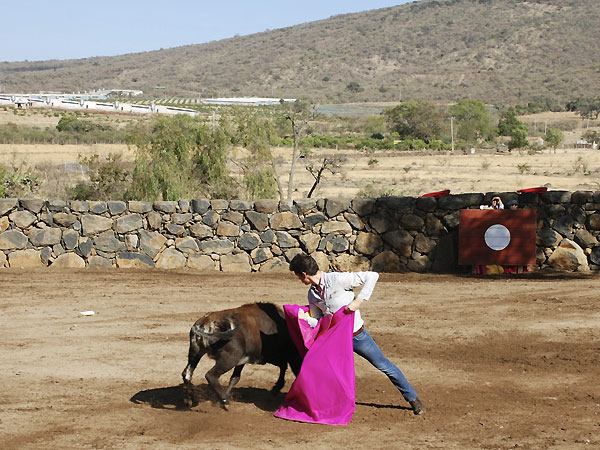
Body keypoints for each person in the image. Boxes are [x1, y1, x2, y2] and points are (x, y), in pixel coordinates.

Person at [288, 253, 425, 415]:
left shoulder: (338, 279)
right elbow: (318, 319)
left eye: (298, 277)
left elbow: (372, 276)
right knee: (323, 369)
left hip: (357, 336)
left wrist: (357, 301)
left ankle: (413, 399)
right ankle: (327, 405)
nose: (299, 280)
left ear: (304, 274)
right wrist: (303, 318)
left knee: (383, 365)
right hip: (335, 340)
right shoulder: (313, 294)